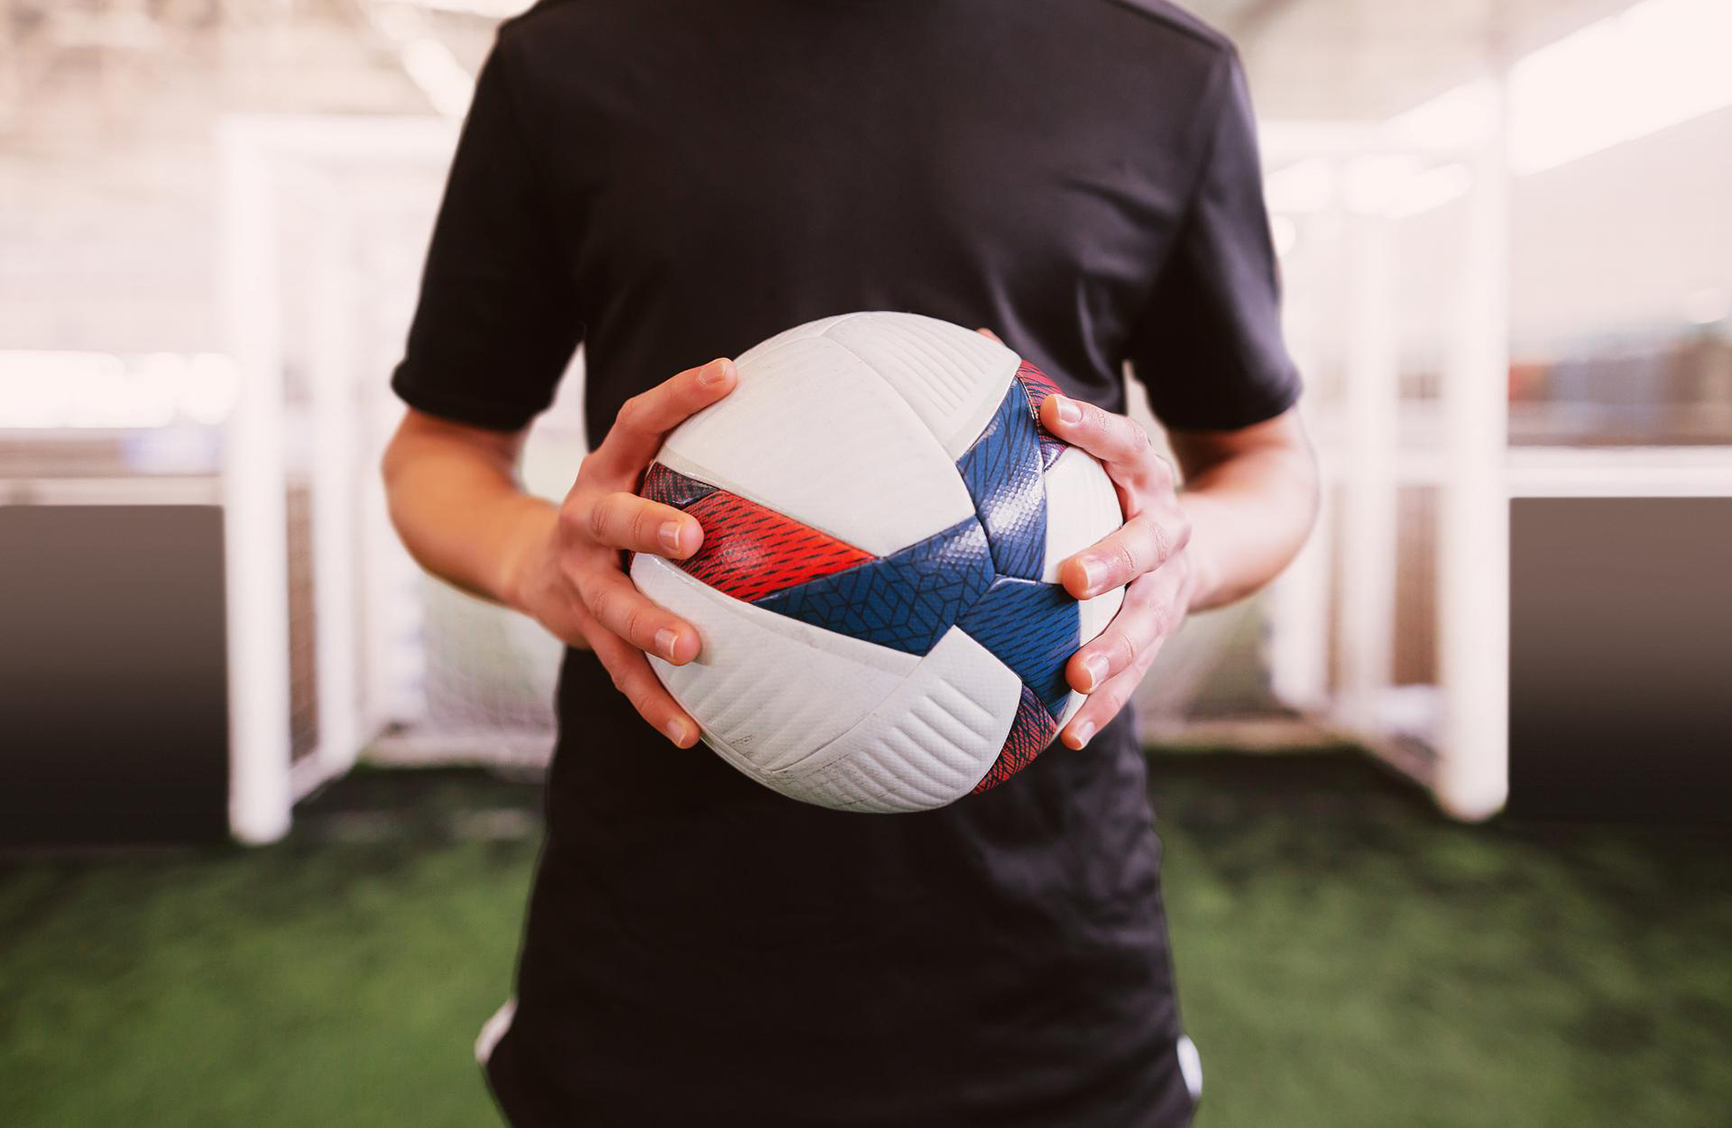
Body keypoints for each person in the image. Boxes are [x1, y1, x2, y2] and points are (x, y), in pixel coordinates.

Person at [381, 1, 1318, 1124]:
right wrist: (539, 557)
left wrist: (1183, 550)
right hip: (658, 943)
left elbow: (1269, 462)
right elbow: (437, 449)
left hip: (1045, 948)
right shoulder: (566, 56)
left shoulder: (1164, 68)